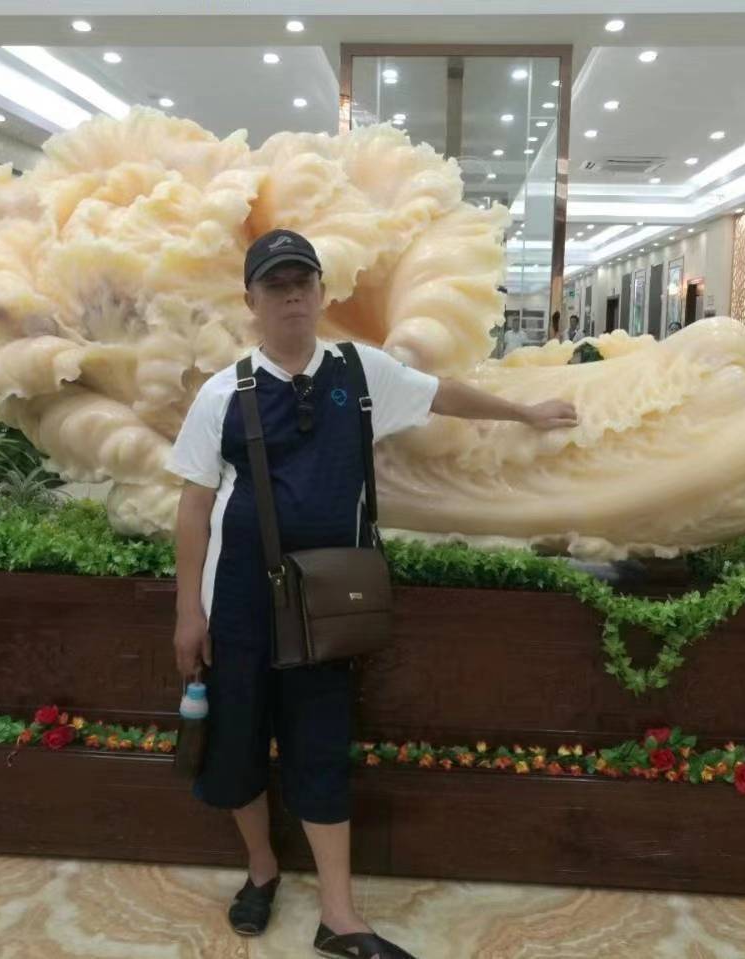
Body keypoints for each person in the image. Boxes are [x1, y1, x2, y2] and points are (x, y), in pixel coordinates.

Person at [167, 229, 579, 959]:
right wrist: (186, 613)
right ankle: (261, 870)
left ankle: (339, 913)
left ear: (321, 292)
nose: (291, 296)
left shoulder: (360, 372)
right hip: (237, 600)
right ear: (251, 301)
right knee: (235, 741)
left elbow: (441, 395)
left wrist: (524, 413)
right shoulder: (222, 392)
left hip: (330, 602)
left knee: (321, 741)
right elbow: (194, 505)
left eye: (302, 282)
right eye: (274, 285)